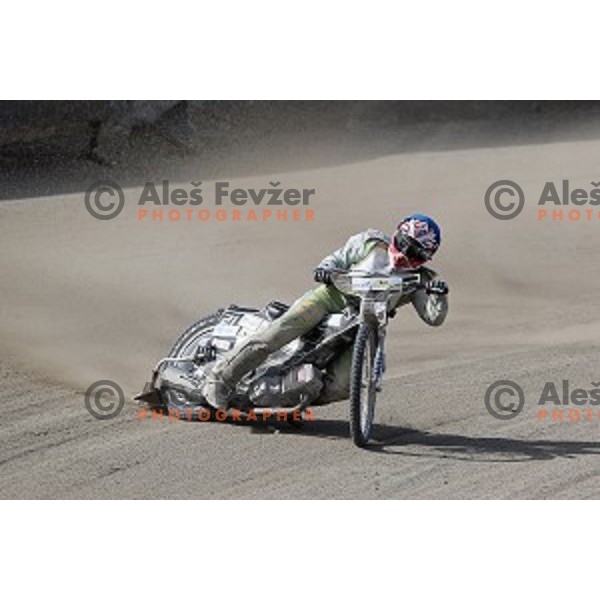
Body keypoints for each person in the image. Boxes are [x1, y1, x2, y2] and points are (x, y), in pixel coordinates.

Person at [202, 214, 449, 409]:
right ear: (398, 234)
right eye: (406, 245)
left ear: (425, 258)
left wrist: (439, 296)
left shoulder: (421, 279)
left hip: (371, 321)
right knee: (274, 336)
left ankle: (292, 394)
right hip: (331, 298)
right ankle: (219, 379)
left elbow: (433, 317)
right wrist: (325, 269)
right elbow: (337, 260)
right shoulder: (370, 242)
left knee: (344, 385)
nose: (406, 255)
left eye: (416, 254)